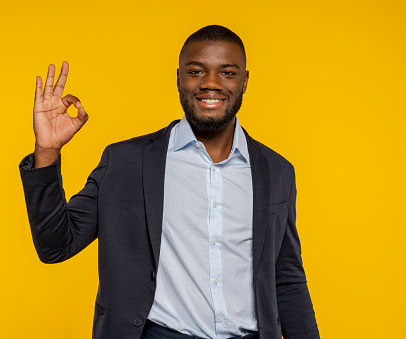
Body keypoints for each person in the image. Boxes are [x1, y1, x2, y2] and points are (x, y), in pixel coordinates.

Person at [19, 25, 320, 339]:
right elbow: (55, 245)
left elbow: (287, 280)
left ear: (244, 81)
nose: (211, 84)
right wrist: (47, 151)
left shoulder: (277, 170)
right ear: (179, 78)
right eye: (196, 71)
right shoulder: (126, 163)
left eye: (227, 72)